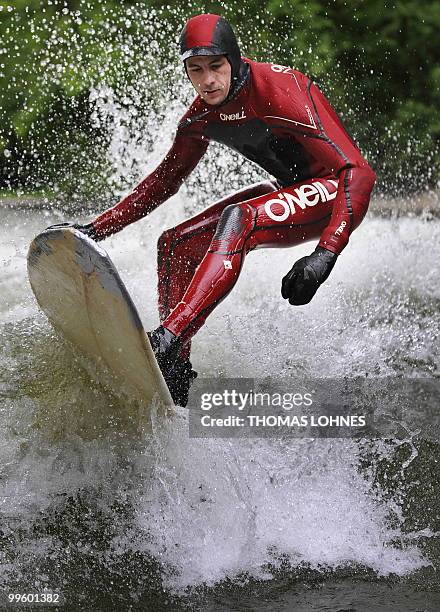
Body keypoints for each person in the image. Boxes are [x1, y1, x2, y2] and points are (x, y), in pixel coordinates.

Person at [56, 13, 376, 406]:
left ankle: (168, 338)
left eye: (216, 66)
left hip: (337, 194)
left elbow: (359, 173)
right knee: (174, 245)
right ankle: (175, 372)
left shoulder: (281, 89)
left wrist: (325, 254)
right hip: (291, 192)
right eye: (195, 69)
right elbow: (163, 182)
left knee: (239, 218)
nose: (207, 80)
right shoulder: (201, 116)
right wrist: (95, 230)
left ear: (235, 61)